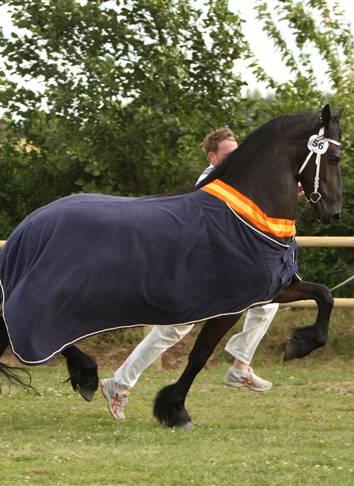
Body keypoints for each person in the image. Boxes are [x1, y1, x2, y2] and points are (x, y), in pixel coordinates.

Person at [100, 128, 280, 420]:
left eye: (238, 152)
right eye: (229, 154)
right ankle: (118, 384)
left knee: (269, 301)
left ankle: (241, 365)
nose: (238, 158)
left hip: (222, 273)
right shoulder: (209, 182)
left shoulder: (237, 179)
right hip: (199, 274)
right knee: (170, 331)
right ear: (212, 156)